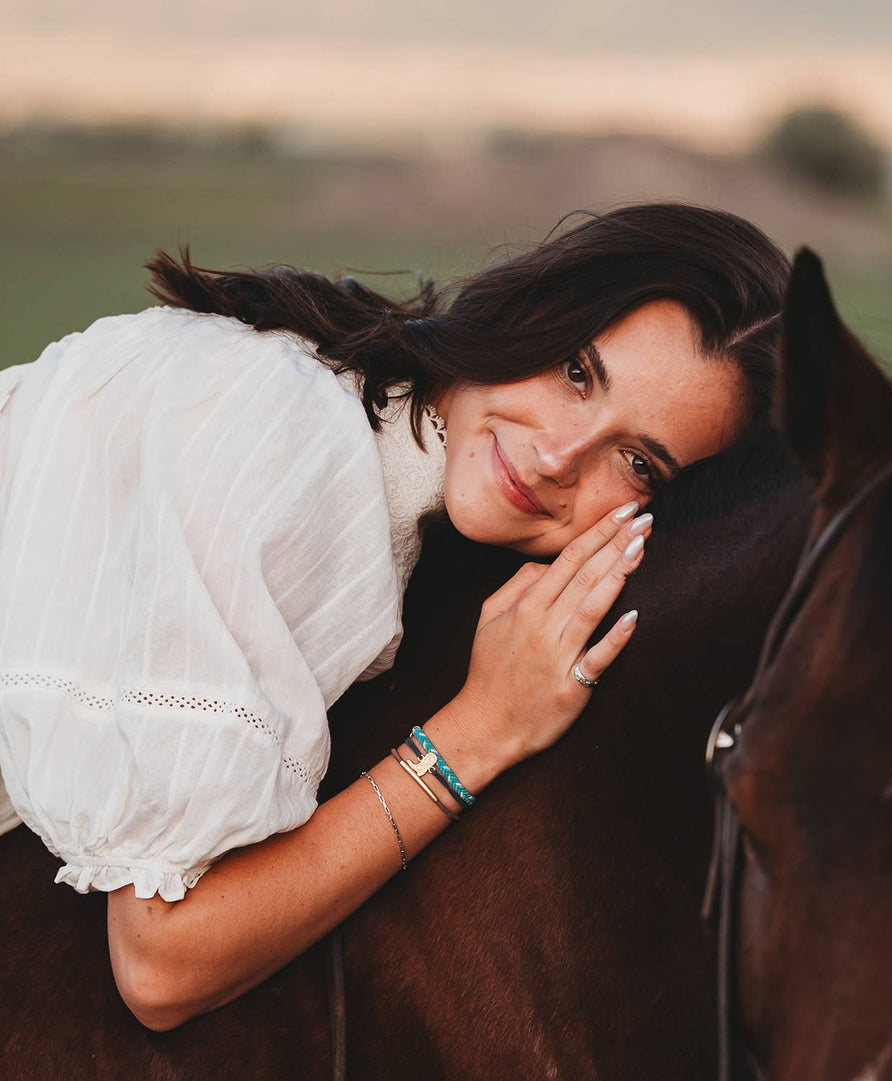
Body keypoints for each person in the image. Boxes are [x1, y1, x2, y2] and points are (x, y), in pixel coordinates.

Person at [0, 204, 789, 1030]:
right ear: (531, 308)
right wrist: (482, 730)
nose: (558, 456)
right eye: (577, 372)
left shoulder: (372, 457)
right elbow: (161, 961)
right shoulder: (294, 438)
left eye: (635, 461)